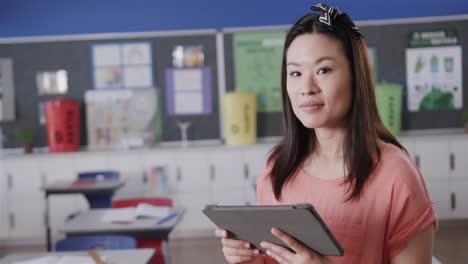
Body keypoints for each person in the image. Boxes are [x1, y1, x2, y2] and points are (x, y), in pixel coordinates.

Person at [215, 3, 438, 264]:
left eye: (323, 70)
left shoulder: (396, 174)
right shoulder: (277, 169)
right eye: (295, 73)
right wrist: (247, 257)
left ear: (357, 77)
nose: (306, 88)